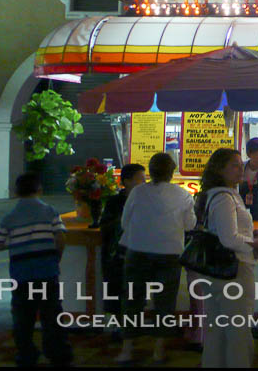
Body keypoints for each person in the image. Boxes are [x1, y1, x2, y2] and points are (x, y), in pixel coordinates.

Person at [115, 152, 196, 365]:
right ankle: (158, 350)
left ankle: (127, 349)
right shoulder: (183, 195)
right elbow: (190, 225)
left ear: (150, 171)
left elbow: (124, 223)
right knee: (165, 302)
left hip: (137, 250)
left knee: (132, 300)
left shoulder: (138, 192)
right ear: (172, 172)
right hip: (170, 252)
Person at [0, 174, 73, 367]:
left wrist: (18, 241)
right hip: (47, 272)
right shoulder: (50, 211)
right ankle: (58, 354)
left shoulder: (9, 218)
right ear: (40, 190)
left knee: (23, 318)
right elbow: (60, 237)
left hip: (21, 275)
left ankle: (26, 354)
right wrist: (56, 258)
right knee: (52, 315)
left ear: (16, 192)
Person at [196, 148, 258, 368]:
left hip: (216, 270)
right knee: (238, 330)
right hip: (234, 270)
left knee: (216, 329)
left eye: (240, 164)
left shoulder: (214, 195)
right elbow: (229, 238)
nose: (240, 168)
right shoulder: (224, 198)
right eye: (234, 165)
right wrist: (254, 243)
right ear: (220, 169)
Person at [99, 163, 146, 329]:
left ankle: (132, 327)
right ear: (126, 181)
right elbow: (105, 226)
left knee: (136, 292)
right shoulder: (114, 202)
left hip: (137, 252)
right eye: (140, 179)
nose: (144, 182)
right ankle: (119, 328)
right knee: (116, 291)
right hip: (117, 255)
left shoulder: (145, 200)